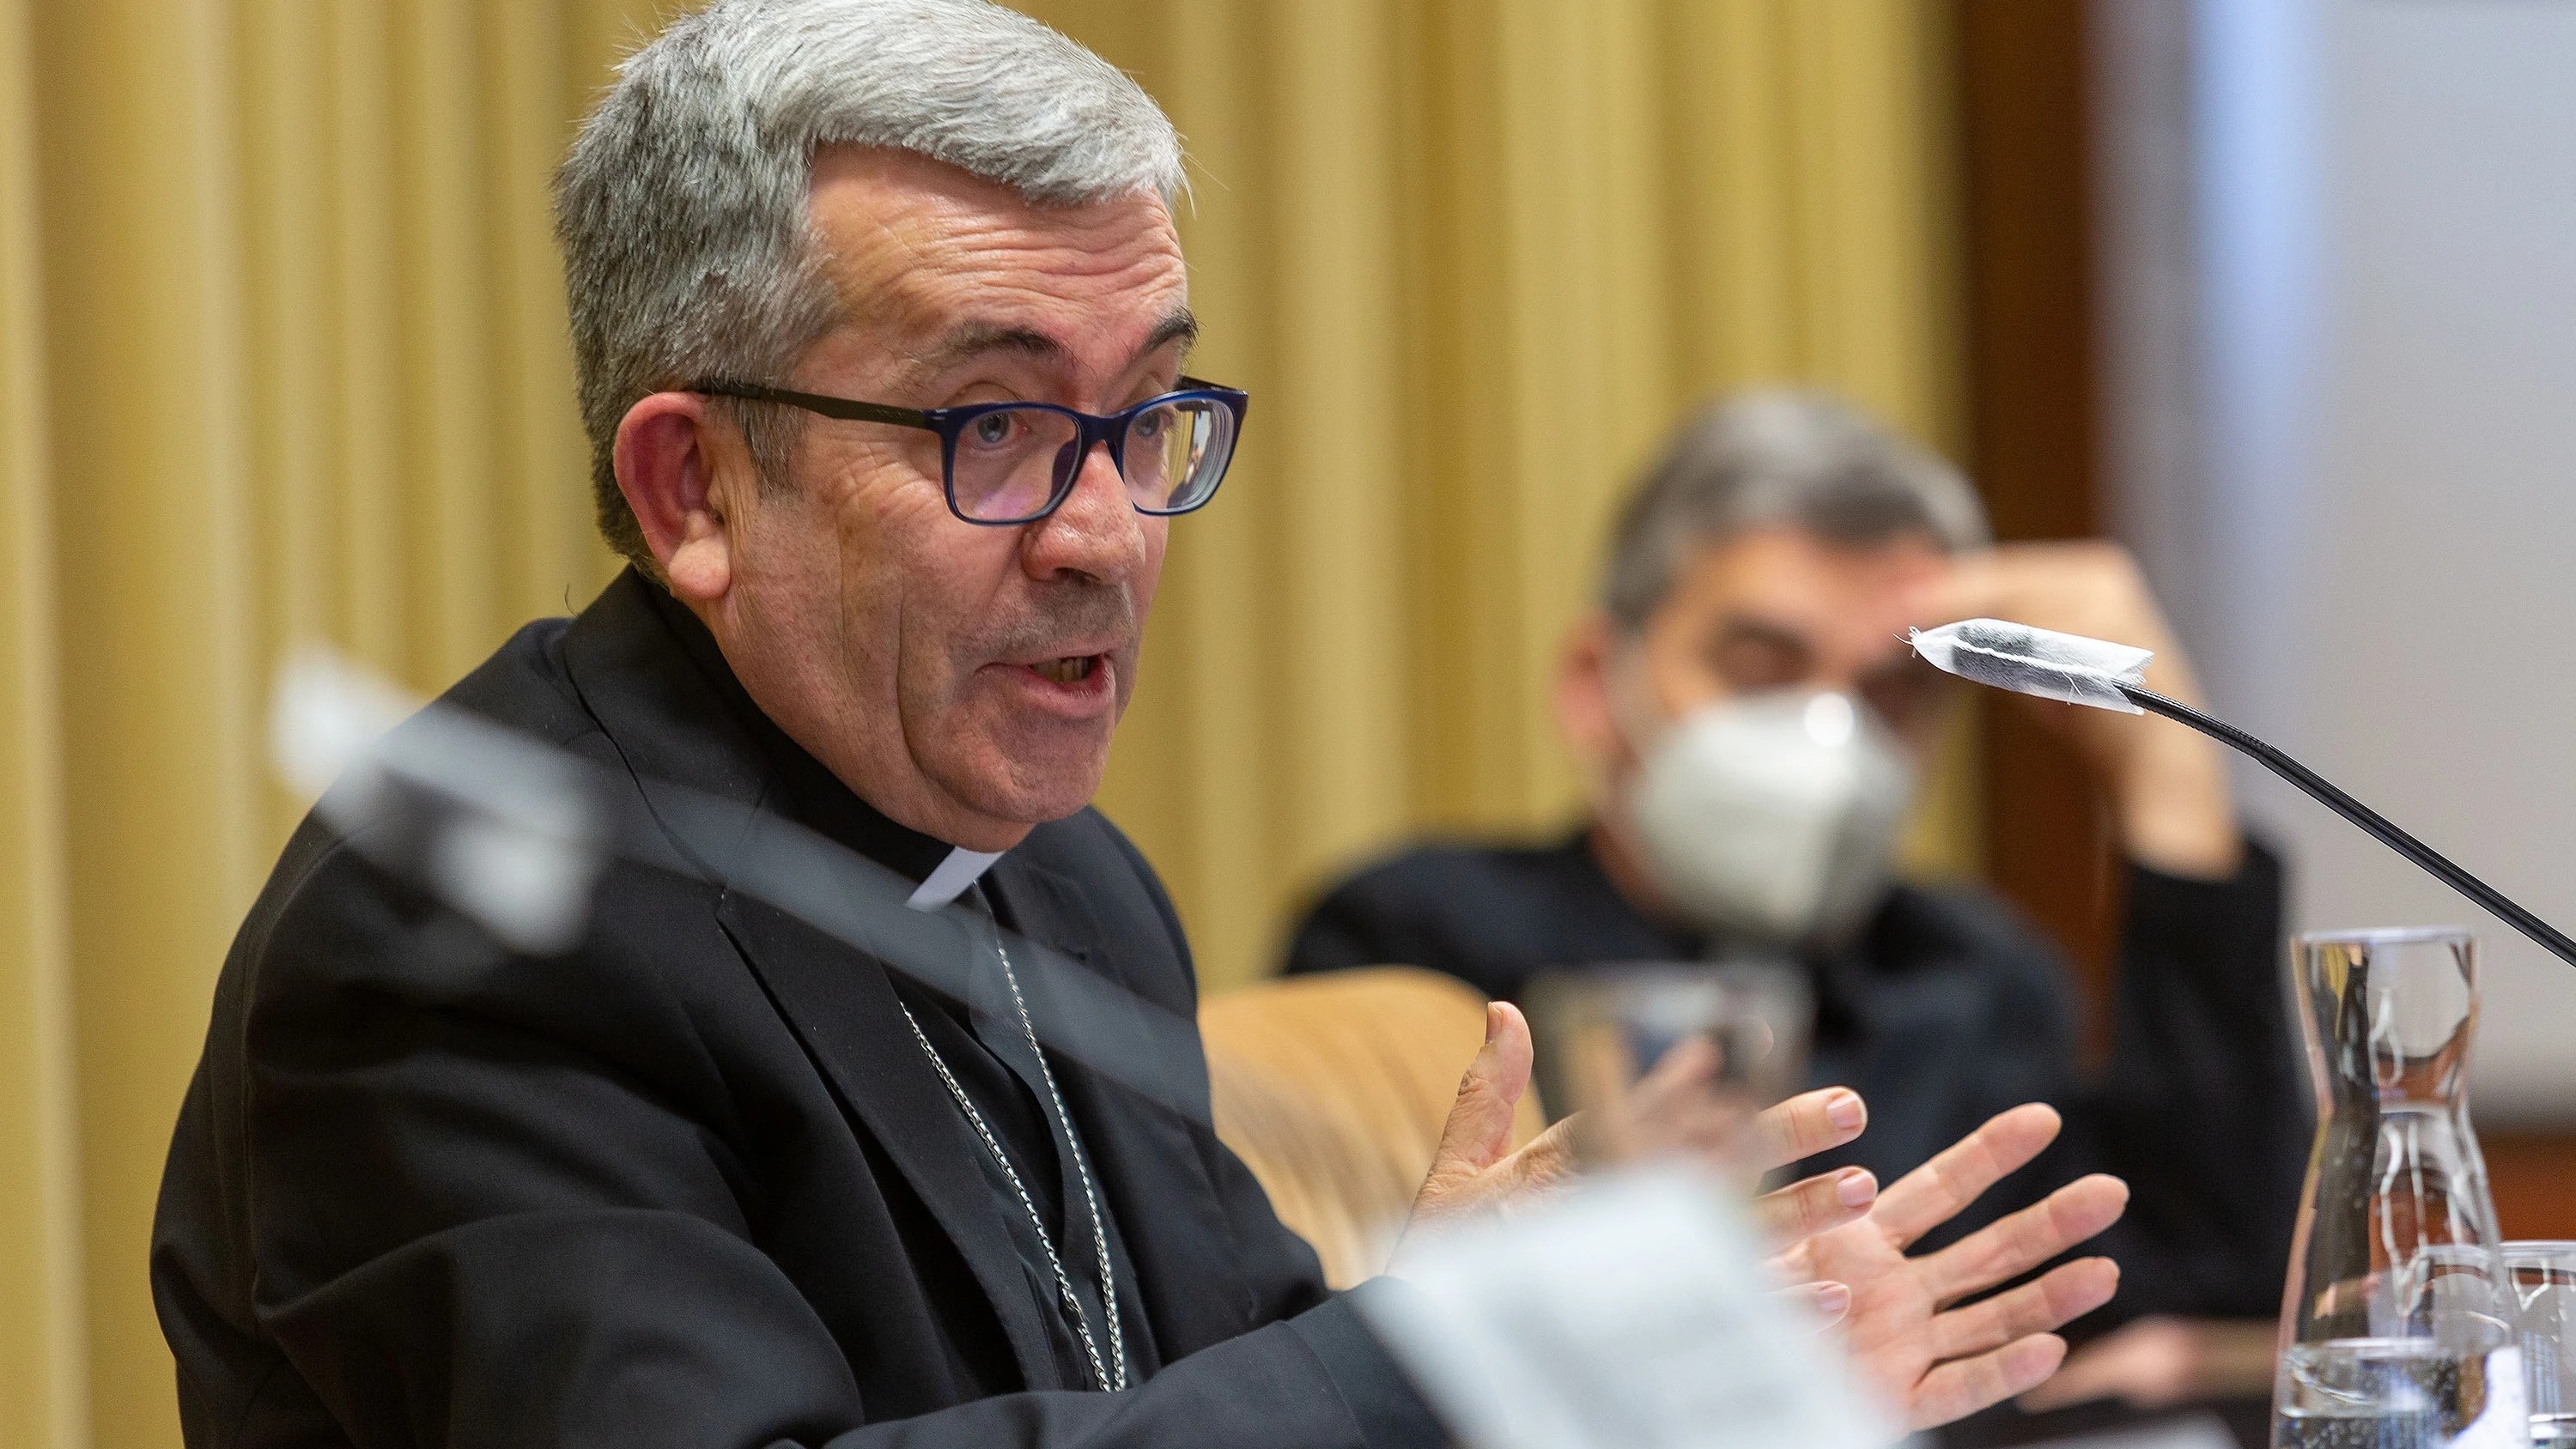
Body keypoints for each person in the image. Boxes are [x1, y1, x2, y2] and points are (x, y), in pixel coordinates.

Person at [150, 5, 2130, 1446]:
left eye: (1147, 416)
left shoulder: (1073, 889)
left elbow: (1243, 1388)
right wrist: (1453, 1363)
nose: (1106, 536)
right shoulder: (460, 936)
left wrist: (1533, 1354)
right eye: (996, 427)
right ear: (692, 491)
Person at [1285, 392, 2308, 1421]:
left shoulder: (1980, 976)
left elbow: (2217, 1288)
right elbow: (1345, 1365)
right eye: (1760, 668)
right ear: (1599, 683)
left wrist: (2170, 775)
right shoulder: (1414, 942)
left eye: (1889, 692)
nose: (1829, 732)